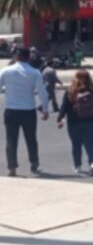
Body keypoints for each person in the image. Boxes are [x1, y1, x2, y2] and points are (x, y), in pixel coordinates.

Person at [0, 47, 49, 177]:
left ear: (16, 57)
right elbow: (42, 92)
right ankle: (34, 163)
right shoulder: (35, 72)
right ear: (28, 57)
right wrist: (45, 109)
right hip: (28, 110)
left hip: (11, 110)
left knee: (11, 139)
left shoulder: (6, 71)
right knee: (31, 139)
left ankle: (12, 167)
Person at [57, 70, 93, 175]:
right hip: (92, 121)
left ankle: (77, 165)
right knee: (91, 143)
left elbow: (64, 108)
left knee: (76, 144)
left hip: (74, 123)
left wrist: (60, 119)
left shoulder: (70, 92)